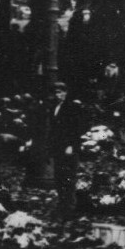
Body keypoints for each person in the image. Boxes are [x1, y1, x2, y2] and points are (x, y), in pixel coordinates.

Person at [47, 82, 86, 217]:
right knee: (59, 177)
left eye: (60, 92)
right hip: (58, 147)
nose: (58, 95)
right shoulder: (55, 107)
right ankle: (62, 204)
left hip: (68, 147)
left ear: (66, 92)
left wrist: (72, 145)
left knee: (69, 177)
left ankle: (70, 207)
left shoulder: (72, 107)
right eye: (55, 93)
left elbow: (76, 128)